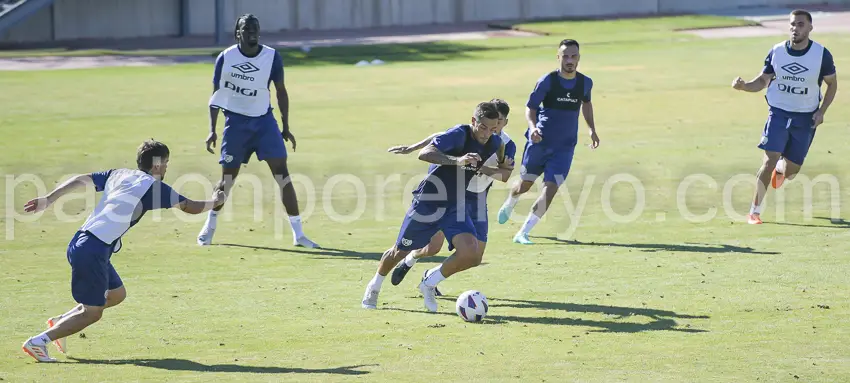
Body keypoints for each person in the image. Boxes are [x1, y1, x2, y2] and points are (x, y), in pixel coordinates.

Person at [21, 140, 226, 362]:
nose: (167, 167)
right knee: (93, 312)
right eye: (166, 162)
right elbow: (191, 206)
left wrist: (50, 198)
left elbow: (81, 179)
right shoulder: (152, 186)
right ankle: (38, 342)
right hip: (93, 250)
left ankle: (62, 321)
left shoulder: (118, 174)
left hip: (84, 242)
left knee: (117, 294)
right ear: (157, 165)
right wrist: (215, 201)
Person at [361, 102, 504, 312]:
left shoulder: (494, 141)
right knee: (400, 251)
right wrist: (458, 160)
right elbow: (426, 153)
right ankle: (374, 286)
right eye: (483, 127)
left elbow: (499, 147)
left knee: (471, 253)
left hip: (455, 204)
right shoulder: (459, 134)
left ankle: (428, 283)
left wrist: (503, 162)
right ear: (473, 121)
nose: (486, 134)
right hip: (430, 200)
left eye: (492, 129)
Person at [199, 13, 319, 248]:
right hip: (235, 124)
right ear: (238, 34)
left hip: (264, 122)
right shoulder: (226, 58)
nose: (252, 32)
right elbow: (217, 94)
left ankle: (299, 234)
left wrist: (285, 126)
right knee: (227, 179)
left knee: (282, 174)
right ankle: (209, 226)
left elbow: (281, 91)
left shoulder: (271, 57)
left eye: (255, 29)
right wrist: (212, 129)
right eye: (247, 29)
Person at [387, 99, 516, 290]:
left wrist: (481, 168)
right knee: (432, 248)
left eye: (499, 121)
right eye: (492, 121)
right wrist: (413, 147)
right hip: (452, 192)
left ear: (504, 122)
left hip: (478, 198)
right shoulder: (472, 133)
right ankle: (411, 259)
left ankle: (430, 276)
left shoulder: (505, 144)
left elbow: (504, 175)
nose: (494, 126)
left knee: (475, 257)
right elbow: (439, 136)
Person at [732, 9, 837, 225]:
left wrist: (821, 111)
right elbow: (762, 81)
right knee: (769, 160)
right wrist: (744, 87)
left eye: (800, 24)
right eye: (792, 24)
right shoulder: (777, 51)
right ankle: (754, 211)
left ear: (809, 28)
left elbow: (832, 84)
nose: (795, 28)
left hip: (806, 118)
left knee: (791, 172)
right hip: (778, 113)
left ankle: (782, 168)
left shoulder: (821, 55)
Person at [497, 39, 600, 244]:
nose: (570, 60)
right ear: (558, 57)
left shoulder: (585, 83)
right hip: (540, 143)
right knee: (525, 185)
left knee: (550, 189)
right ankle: (511, 201)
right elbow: (531, 107)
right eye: (566, 56)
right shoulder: (548, 81)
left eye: (574, 56)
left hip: (565, 148)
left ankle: (523, 233)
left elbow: (586, 104)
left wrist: (592, 130)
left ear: (579, 57)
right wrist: (533, 127)